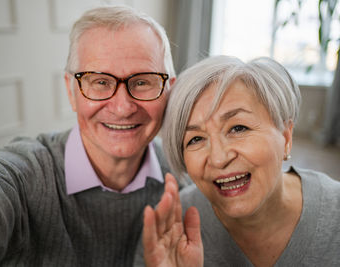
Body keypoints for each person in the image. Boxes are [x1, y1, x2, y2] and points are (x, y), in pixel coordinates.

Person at [0, 5, 181, 266]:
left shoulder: (187, 176)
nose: (123, 108)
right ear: (71, 91)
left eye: (143, 81)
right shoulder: (22, 174)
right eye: (100, 82)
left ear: (169, 89)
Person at [139, 55, 340, 266]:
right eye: (196, 139)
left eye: (238, 128)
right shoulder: (168, 230)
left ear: (286, 137)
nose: (218, 158)